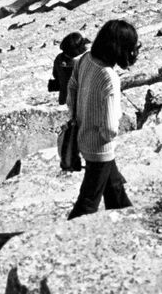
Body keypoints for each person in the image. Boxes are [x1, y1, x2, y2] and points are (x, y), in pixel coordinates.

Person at [67, 19, 139, 219]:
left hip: (83, 135)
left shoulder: (85, 59)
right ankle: (68, 235)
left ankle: (126, 218)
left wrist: (79, 115)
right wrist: (108, 135)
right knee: (88, 201)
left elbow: (71, 88)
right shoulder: (109, 77)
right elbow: (109, 127)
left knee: (114, 186)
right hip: (99, 146)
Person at [49, 32, 89, 105]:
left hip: (64, 99)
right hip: (81, 103)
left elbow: (55, 75)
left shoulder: (59, 58)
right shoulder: (83, 63)